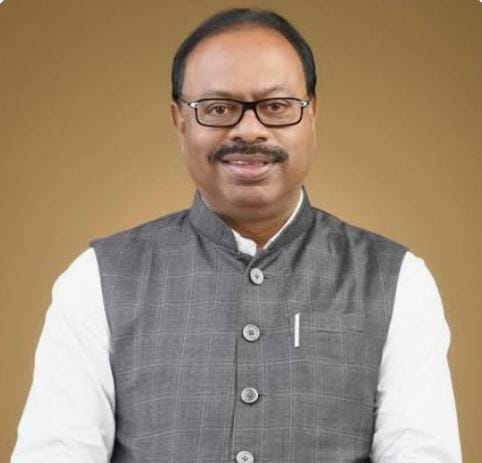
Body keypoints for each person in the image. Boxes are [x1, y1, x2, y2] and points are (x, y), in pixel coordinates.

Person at [11, 8, 462, 463]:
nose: (249, 129)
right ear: (180, 121)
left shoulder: (397, 280)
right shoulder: (97, 279)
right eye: (218, 109)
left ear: (312, 115)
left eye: (276, 106)